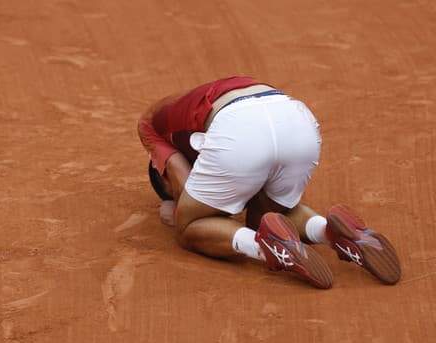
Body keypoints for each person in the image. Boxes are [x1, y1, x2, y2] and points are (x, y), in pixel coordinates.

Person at [138, 76, 401, 289]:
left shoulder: (151, 127)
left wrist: (180, 211)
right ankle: (330, 233)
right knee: (270, 214)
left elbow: (184, 194)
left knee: (190, 225)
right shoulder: (191, 106)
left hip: (238, 129)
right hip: (294, 119)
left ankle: (265, 247)